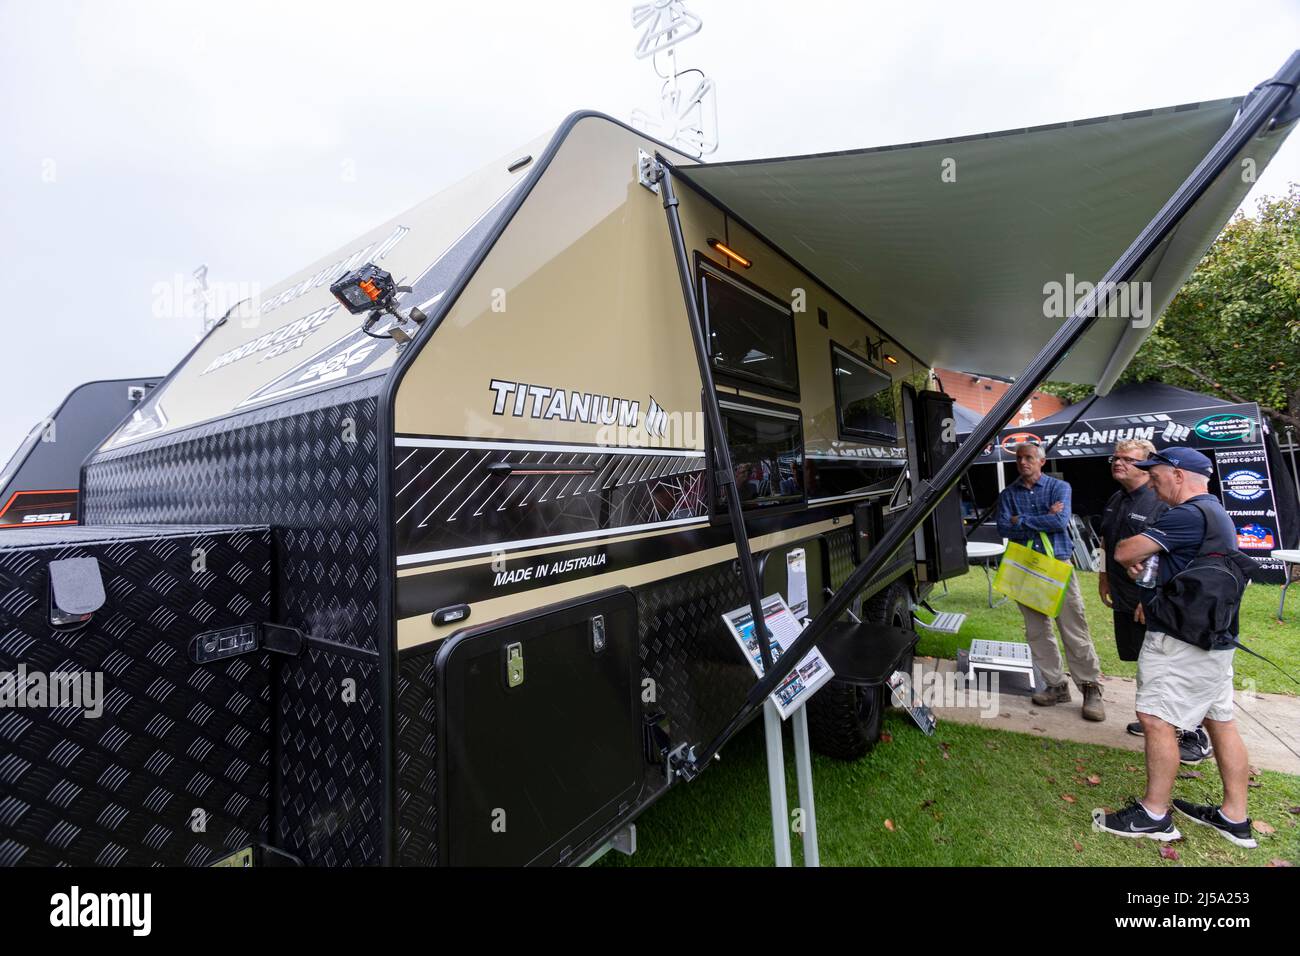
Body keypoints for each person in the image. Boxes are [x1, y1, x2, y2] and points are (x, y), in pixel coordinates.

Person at [1092, 447, 1257, 847]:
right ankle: (1234, 817)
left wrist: (1139, 558)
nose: (1152, 478)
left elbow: (1124, 551)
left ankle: (1153, 814)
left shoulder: (1186, 513)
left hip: (1181, 639)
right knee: (1220, 719)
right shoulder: (1214, 512)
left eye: (1157, 472)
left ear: (1179, 475)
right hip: (1212, 636)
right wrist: (1150, 565)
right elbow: (1167, 563)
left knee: (1155, 718)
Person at [1098, 439, 1211, 764]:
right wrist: (1104, 576)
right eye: (1115, 458)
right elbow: (1108, 542)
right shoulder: (1117, 498)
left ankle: (1193, 731)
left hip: (1151, 599)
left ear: (1148, 467)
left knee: (1169, 664)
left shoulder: (1164, 502)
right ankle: (1158, 717)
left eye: (1128, 459)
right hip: (1124, 592)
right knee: (1143, 660)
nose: (1118, 463)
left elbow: (1176, 557)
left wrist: (1154, 596)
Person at [995, 442, 1105, 720]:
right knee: (1036, 630)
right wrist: (1043, 516)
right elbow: (1003, 527)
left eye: (1029, 458)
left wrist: (1023, 520)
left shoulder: (1059, 488)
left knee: (1073, 628)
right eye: (1019, 458)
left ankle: (1090, 687)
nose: (1023, 463)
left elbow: (1060, 522)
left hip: (1057, 564)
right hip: (1025, 568)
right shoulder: (1009, 493)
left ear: (1042, 461)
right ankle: (1056, 685)